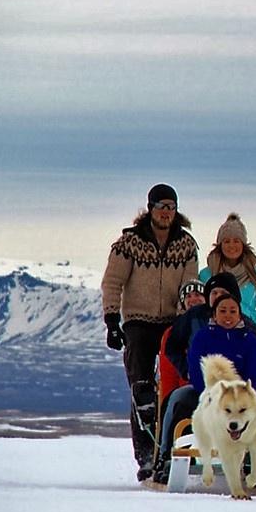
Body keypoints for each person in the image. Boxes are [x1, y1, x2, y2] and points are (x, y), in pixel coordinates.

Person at [101, 183, 198, 481]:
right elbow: (113, 281)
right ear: (150, 209)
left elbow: (189, 286)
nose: (166, 213)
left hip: (172, 321)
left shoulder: (186, 245)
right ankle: (145, 456)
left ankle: (170, 451)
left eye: (171, 207)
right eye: (161, 207)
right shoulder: (129, 243)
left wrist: (188, 324)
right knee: (141, 390)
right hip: (139, 322)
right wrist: (112, 321)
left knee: (176, 389)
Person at [153, 290, 256, 485]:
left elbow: (253, 372)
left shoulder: (250, 339)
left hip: (240, 396)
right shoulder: (203, 338)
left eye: (232, 311)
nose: (228, 316)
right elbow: (196, 368)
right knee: (178, 402)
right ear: (214, 314)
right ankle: (166, 458)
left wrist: (245, 395)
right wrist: (210, 395)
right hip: (204, 392)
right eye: (223, 311)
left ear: (239, 314)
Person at [199, 213, 256, 341]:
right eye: (227, 241)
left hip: (247, 338)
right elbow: (197, 307)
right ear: (220, 245)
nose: (231, 246)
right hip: (214, 339)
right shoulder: (207, 275)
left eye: (236, 241)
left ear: (243, 244)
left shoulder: (255, 274)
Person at [153, 278, 207, 459]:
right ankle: (166, 456)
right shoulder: (173, 332)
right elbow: (168, 370)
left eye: (198, 295)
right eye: (189, 296)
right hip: (186, 389)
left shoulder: (216, 325)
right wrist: (169, 398)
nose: (194, 299)